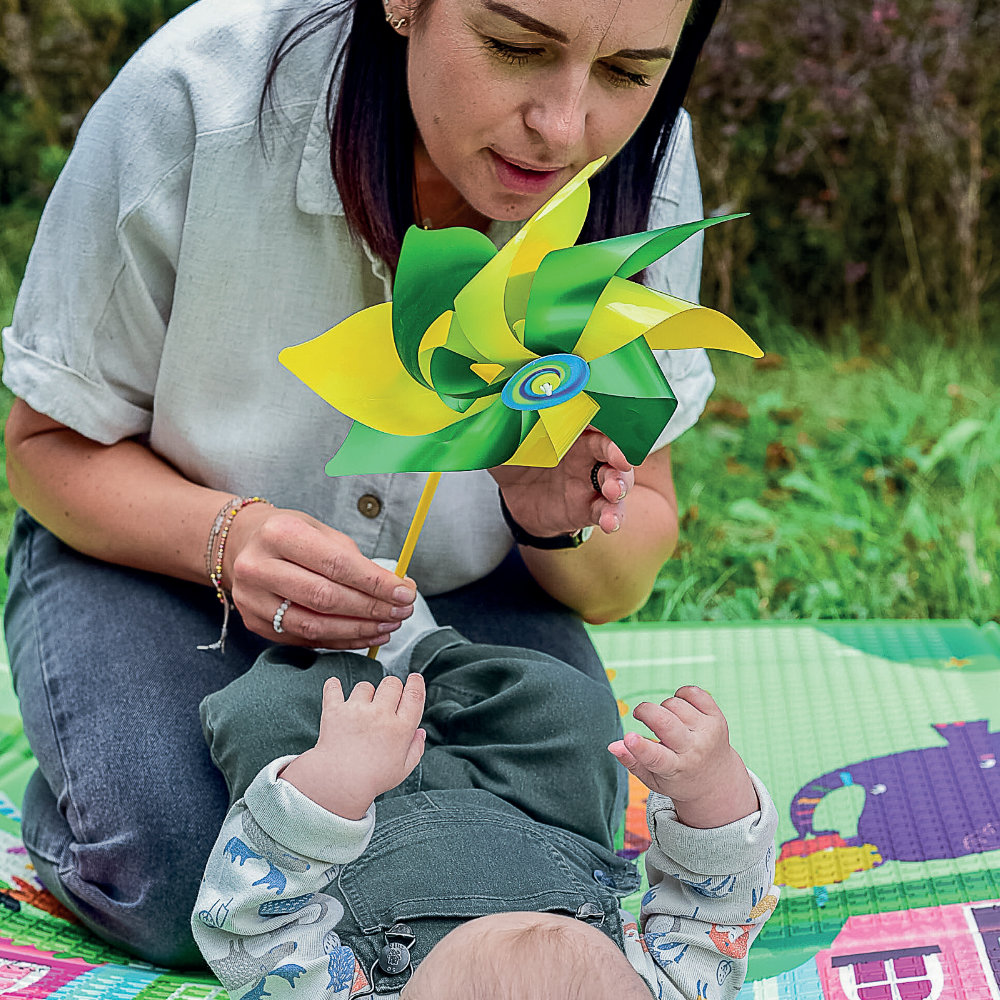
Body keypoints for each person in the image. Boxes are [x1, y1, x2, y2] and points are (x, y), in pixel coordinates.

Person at [3, 0, 724, 967]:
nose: (562, 127)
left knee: (561, 833)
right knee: (188, 876)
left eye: (628, 72)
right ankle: (86, 799)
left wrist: (554, 524)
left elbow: (621, 578)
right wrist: (229, 539)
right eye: (515, 46)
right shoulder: (197, 99)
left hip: (461, 593)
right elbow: (44, 446)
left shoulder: (646, 165)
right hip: (153, 559)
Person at [192, 602, 779, 999]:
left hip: (348, 829)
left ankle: (331, 652)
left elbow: (254, 930)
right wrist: (710, 787)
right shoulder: (671, 990)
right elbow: (718, 908)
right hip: (540, 814)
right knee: (571, 708)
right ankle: (430, 654)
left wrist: (331, 784)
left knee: (264, 715)